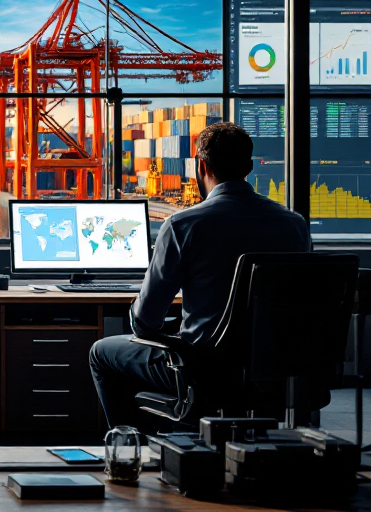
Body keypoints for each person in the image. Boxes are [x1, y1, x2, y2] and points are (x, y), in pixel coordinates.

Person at [89, 122, 309, 429]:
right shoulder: (295, 225)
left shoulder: (183, 225)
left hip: (207, 370)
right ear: (249, 167)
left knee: (102, 353)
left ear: (200, 166)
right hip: (279, 369)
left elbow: (144, 323)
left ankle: (131, 452)